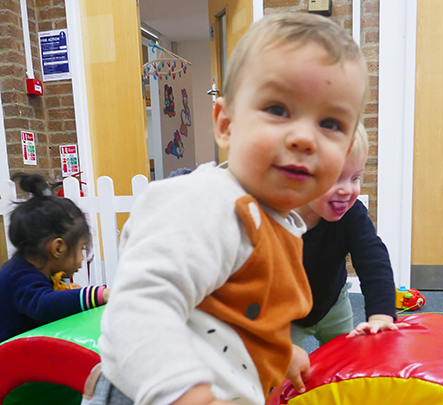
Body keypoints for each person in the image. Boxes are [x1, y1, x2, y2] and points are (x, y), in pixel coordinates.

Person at [87, 12, 368, 405]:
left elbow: (239, 314)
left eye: (331, 123)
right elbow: (141, 303)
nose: (304, 137)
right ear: (225, 125)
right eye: (277, 109)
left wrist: (281, 352)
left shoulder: (282, 221)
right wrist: (184, 392)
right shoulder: (205, 201)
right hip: (154, 391)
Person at [291, 124, 409, 349]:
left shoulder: (351, 214)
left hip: (333, 303)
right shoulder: (276, 219)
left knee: (345, 359)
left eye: (355, 178)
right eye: (335, 178)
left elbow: (373, 259)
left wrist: (381, 315)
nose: (347, 190)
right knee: (277, 373)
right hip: (283, 315)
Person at [0, 173, 110, 342]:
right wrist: (97, 295)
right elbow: (45, 306)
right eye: (81, 249)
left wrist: (67, 293)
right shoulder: (19, 276)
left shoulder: (33, 271)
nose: (82, 258)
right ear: (58, 248)